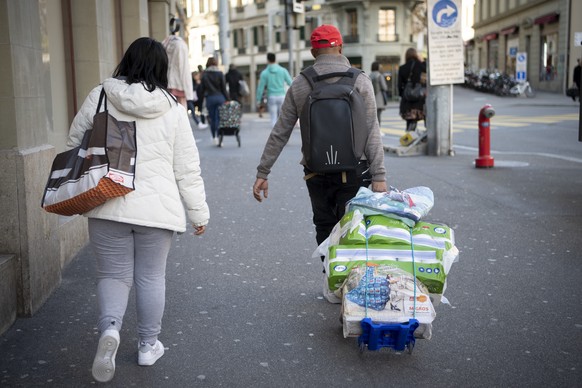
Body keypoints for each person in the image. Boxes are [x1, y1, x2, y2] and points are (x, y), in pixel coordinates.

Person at [66, 37, 210, 383]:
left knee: (113, 275)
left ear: (126, 61)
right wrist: (198, 214)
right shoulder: (173, 110)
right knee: (150, 277)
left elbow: (74, 143)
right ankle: (148, 346)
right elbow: (187, 168)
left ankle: (111, 330)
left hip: (107, 202)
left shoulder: (101, 95)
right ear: (161, 68)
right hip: (157, 211)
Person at [252, 25, 387, 247]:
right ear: (341, 47)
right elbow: (372, 129)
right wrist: (379, 176)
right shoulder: (360, 80)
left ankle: (330, 276)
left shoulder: (301, 83)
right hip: (355, 169)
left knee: (324, 226)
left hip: (316, 170)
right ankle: (351, 277)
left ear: (313, 52)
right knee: (354, 229)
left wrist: (263, 172)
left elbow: (281, 131)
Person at [256, 52, 293, 128]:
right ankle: (282, 136)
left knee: (273, 118)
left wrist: (258, 100)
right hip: (282, 96)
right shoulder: (283, 70)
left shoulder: (264, 73)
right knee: (282, 118)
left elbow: (260, 88)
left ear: (268, 60)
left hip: (271, 97)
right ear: (275, 59)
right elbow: (291, 83)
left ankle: (275, 136)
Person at [200, 57, 228, 145]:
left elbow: (202, 89)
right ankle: (220, 138)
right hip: (220, 98)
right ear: (216, 64)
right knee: (219, 119)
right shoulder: (220, 73)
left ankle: (214, 137)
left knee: (212, 119)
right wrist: (228, 99)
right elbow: (224, 88)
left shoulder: (204, 74)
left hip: (210, 98)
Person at [162, 33, 194, 108]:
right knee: (180, 114)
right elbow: (184, 69)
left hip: (166, 85)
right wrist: (189, 95)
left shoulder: (163, 45)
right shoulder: (181, 46)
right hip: (179, 86)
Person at [398, 48, 427, 132]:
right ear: (416, 55)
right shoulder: (421, 65)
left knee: (410, 123)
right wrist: (421, 60)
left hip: (407, 101)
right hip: (420, 99)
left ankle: (408, 139)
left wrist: (404, 95)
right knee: (426, 120)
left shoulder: (402, 68)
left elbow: (399, 86)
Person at [370, 61, 389, 126]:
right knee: (378, 116)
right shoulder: (379, 75)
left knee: (373, 117)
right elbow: (384, 87)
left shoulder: (369, 75)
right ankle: (377, 131)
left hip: (371, 98)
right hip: (379, 98)